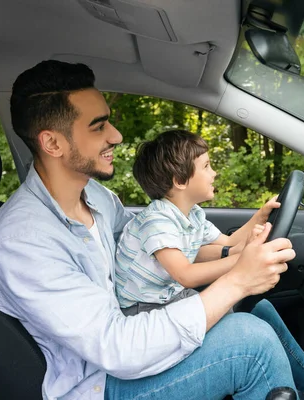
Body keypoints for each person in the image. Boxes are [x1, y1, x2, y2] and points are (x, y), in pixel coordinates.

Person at [0, 60, 304, 400]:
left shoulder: (95, 197)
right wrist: (238, 279)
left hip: (125, 345)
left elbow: (160, 251)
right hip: (98, 383)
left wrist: (235, 255)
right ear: (53, 143)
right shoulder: (22, 242)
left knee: (259, 313)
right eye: (98, 126)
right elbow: (119, 348)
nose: (115, 135)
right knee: (251, 342)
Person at [115, 130, 279, 316]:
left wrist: (262, 215)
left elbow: (228, 242)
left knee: (262, 309)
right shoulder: (157, 221)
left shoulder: (193, 214)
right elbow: (186, 275)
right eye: (207, 166)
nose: (214, 173)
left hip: (170, 296)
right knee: (235, 318)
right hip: (142, 308)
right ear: (180, 180)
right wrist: (242, 260)